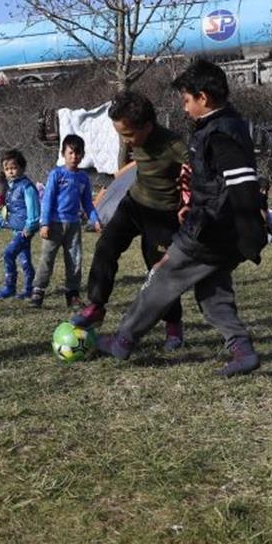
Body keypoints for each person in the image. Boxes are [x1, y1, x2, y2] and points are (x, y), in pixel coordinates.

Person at [97, 59, 267, 377]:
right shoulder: (225, 125)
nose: (185, 108)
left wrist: (248, 229)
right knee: (212, 290)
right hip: (222, 230)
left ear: (204, 98)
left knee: (162, 277)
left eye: (187, 100)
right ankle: (242, 349)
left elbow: (242, 185)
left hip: (211, 230)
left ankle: (122, 341)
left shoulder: (221, 133)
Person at [71, 91, 190, 350]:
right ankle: (96, 306)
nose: (124, 140)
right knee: (106, 247)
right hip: (134, 204)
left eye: (127, 135)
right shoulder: (133, 135)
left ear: (147, 126)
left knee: (158, 270)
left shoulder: (174, 145)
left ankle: (173, 326)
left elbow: (199, 170)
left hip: (163, 215)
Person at [31, 134, 99, 308]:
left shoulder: (83, 178)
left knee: (75, 259)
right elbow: (48, 200)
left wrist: (95, 220)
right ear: (63, 153)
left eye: (78, 153)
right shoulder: (57, 174)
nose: (74, 157)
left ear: (82, 155)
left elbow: (87, 203)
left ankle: (72, 294)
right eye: (70, 153)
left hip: (74, 226)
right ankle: (38, 290)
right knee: (47, 258)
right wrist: (44, 223)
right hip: (54, 224)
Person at [0, 149, 40, 300]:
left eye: (13, 168)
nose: (10, 172)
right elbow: (11, 208)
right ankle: (29, 289)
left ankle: (10, 286)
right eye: (7, 169)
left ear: (21, 167)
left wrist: (30, 226)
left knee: (8, 254)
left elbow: (33, 208)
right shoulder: (11, 186)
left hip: (24, 231)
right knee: (25, 260)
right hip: (16, 229)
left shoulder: (26, 187)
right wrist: (2, 220)